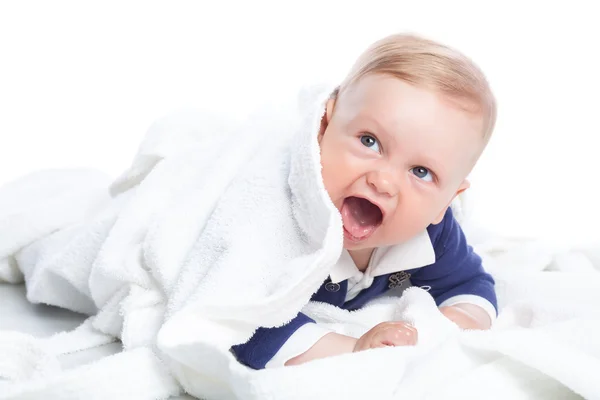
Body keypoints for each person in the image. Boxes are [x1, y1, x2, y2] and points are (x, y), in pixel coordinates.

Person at [232, 33, 497, 369]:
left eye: (420, 171)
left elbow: (471, 286)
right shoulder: (275, 218)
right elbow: (239, 317)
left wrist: (437, 329)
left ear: (446, 201)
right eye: (369, 141)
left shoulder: (433, 235)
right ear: (325, 127)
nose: (383, 181)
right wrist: (355, 348)